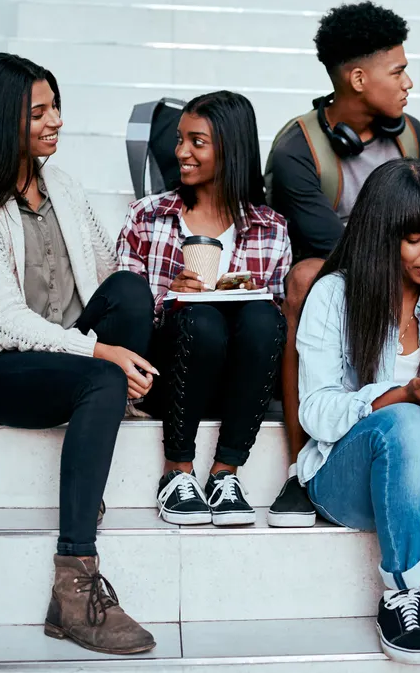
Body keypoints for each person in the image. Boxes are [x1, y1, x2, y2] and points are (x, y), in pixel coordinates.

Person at [0, 53, 157, 655]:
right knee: (102, 380)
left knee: (132, 289)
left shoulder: (64, 187)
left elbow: (108, 274)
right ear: (3, 122)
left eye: (56, 106)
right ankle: (74, 589)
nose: (56, 121)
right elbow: (5, 321)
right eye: (38, 112)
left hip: (70, 348)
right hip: (3, 365)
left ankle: (99, 423)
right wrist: (100, 351)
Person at [297, 159, 420, 664]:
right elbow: (315, 412)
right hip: (348, 484)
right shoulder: (334, 295)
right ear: (381, 234)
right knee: (408, 419)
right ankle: (401, 594)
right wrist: (398, 396)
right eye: (415, 239)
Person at [265, 0, 420, 528]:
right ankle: (298, 468)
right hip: (333, 277)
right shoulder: (298, 148)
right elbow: (334, 248)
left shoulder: (409, 134)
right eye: (398, 70)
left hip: (400, 267)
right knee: (304, 278)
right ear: (358, 78)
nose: (409, 83)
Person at [118, 91, 291, 526]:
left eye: (197, 142)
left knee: (265, 316)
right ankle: (177, 473)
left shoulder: (270, 229)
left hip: (238, 382)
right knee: (201, 318)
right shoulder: (148, 217)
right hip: (169, 377)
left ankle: (224, 474)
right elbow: (124, 312)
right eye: (179, 140)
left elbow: (269, 328)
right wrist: (169, 297)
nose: (180, 152)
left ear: (230, 149)